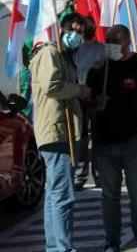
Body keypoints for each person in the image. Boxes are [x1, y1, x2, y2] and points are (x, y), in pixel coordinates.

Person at [86, 25, 137, 252]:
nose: (111, 46)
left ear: (127, 42)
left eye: (116, 42)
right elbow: (87, 108)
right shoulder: (99, 69)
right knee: (110, 195)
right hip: (105, 142)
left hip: (134, 142)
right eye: (108, 42)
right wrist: (94, 105)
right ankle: (112, 241)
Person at [30, 13, 90, 252]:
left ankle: (55, 246)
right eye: (74, 29)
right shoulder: (50, 53)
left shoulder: (65, 56)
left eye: (82, 32)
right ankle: (63, 248)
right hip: (55, 131)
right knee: (63, 193)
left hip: (61, 131)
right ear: (61, 29)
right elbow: (52, 86)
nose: (77, 35)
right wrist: (79, 90)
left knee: (55, 192)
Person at [73, 17, 105, 191]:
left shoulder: (102, 49)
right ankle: (80, 175)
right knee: (82, 138)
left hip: (98, 98)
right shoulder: (73, 51)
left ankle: (100, 173)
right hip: (79, 98)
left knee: (99, 138)